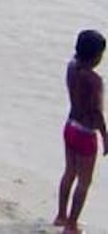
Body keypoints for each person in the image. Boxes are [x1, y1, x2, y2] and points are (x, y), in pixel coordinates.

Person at [55, 29, 107, 234]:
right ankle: (71, 225)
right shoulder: (94, 80)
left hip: (70, 126)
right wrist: (105, 135)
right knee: (84, 181)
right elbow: (97, 111)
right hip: (86, 133)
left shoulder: (71, 68)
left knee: (69, 172)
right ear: (95, 56)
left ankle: (61, 215)